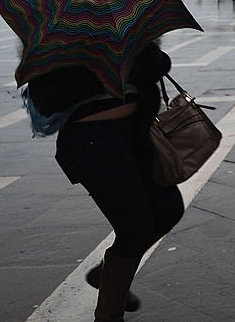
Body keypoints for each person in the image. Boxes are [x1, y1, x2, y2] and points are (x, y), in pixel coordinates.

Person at [26, 43, 183, 322]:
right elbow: (49, 95)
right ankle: (109, 314)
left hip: (135, 135)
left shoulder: (124, 24)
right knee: (135, 226)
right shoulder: (59, 42)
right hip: (93, 142)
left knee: (168, 208)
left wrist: (137, 55)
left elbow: (157, 65)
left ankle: (108, 274)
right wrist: (109, 61)